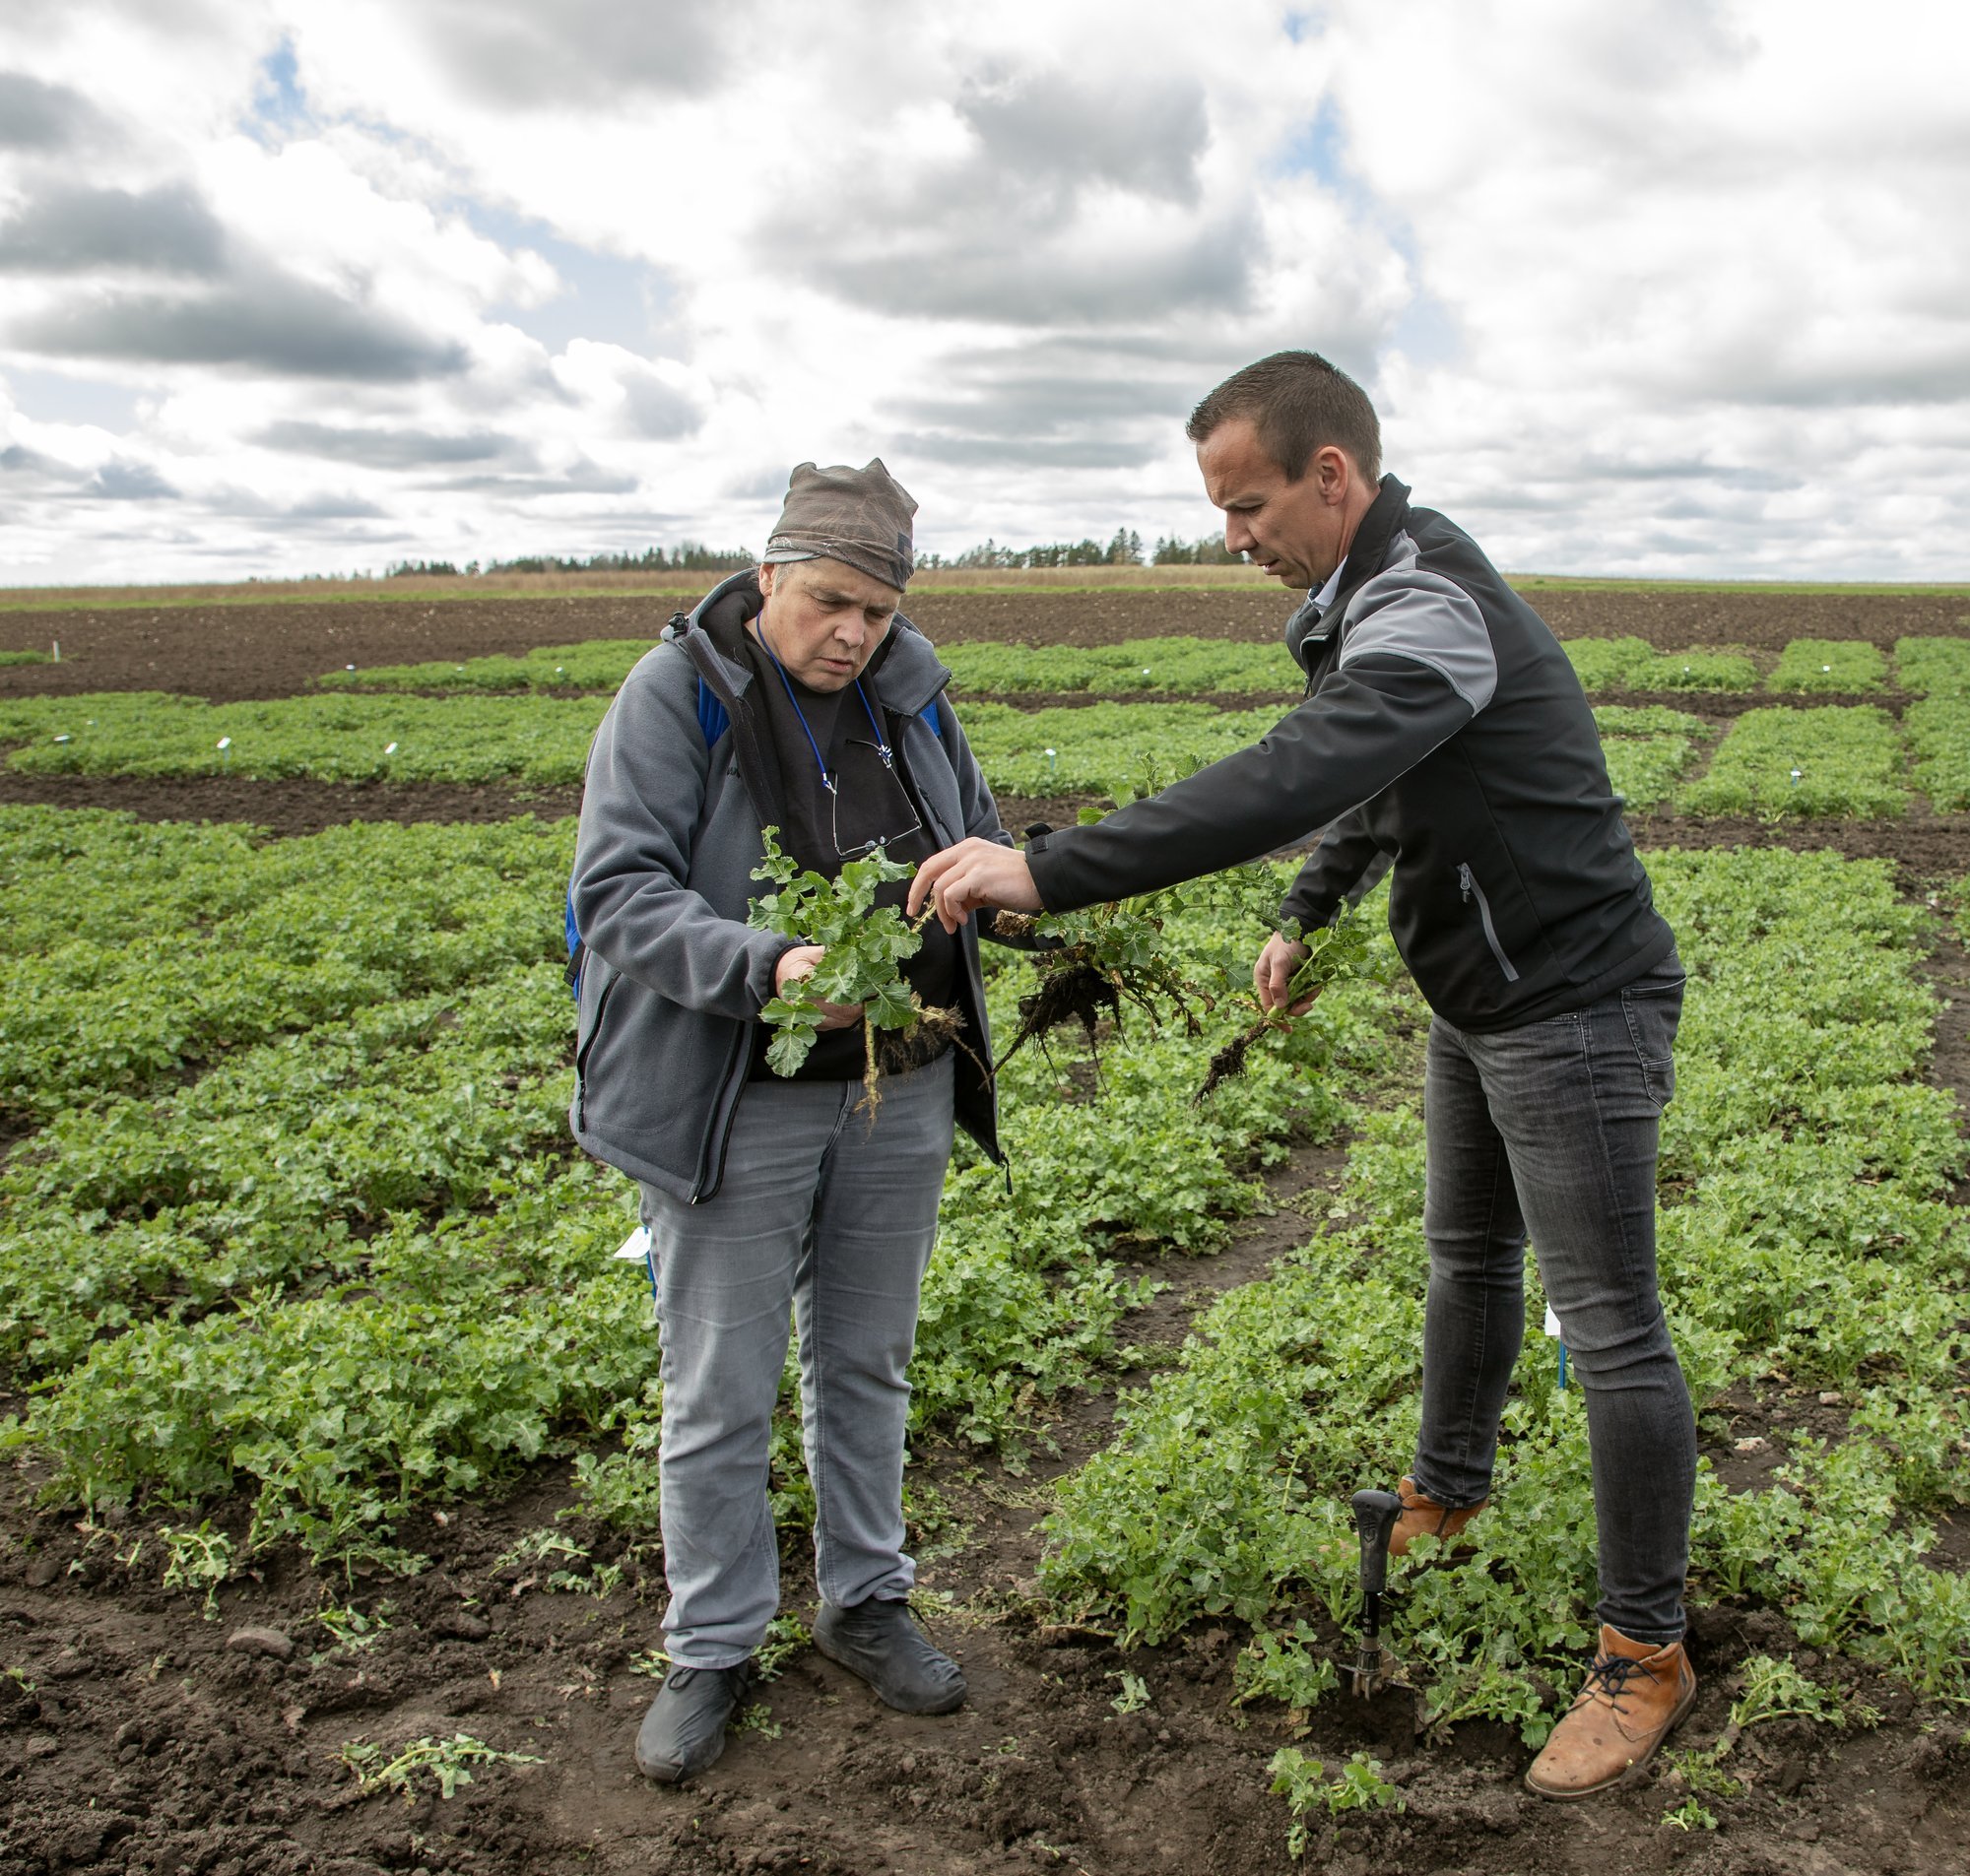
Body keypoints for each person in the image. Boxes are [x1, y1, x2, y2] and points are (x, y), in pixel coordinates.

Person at [908, 352, 1697, 1801]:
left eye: (1249, 502)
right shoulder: (1370, 596)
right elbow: (1383, 779)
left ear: (1334, 476)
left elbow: (1309, 760)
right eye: (1221, 511)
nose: (1234, 539)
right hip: (1485, 994)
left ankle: (1645, 1648)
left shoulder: (1426, 600)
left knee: (1614, 1327)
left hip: (1572, 1003)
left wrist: (1056, 869)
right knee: (1466, 1257)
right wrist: (1307, 911)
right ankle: (1446, 1493)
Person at [568, 459, 1016, 1783]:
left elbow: (980, 837)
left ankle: (866, 1600)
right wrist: (765, 966)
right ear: (770, 576)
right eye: (828, 602)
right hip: (738, 1093)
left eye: (876, 612)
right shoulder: (677, 697)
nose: (851, 634)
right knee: (719, 1385)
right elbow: (620, 895)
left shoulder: (911, 699)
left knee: (868, 1360)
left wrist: (1017, 887)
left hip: (899, 1080)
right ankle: (711, 1642)